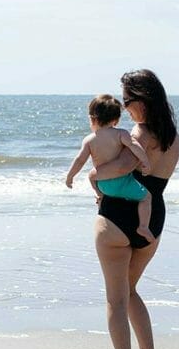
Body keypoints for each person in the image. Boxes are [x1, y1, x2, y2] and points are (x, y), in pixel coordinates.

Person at [91, 70, 179, 349]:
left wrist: (92, 173)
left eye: (128, 101)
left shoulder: (138, 134)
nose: (125, 108)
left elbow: (121, 169)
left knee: (116, 299)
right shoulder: (172, 137)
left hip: (117, 217)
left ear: (142, 101)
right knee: (129, 291)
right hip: (152, 219)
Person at [65, 94, 154, 242]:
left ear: (92, 119)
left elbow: (80, 160)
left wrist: (70, 176)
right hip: (122, 183)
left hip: (104, 186)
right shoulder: (121, 134)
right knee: (146, 197)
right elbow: (135, 146)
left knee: (91, 177)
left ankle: (99, 195)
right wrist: (145, 162)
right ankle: (143, 227)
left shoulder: (89, 140)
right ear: (116, 120)